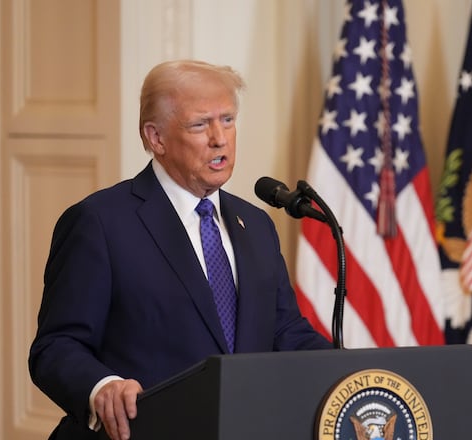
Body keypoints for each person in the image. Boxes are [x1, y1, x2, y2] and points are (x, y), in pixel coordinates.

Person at [28, 59, 332, 440]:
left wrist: (353, 372)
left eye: (228, 120)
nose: (219, 138)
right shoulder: (100, 223)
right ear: (156, 138)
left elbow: (285, 332)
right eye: (200, 124)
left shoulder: (255, 225)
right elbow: (55, 347)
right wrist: (102, 387)